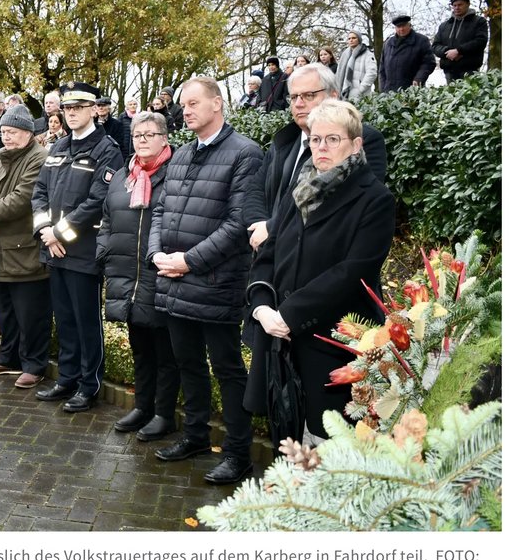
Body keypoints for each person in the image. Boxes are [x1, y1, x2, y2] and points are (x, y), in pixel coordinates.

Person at [246, 99, 394, 442]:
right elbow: (269, 252)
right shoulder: (301, 190)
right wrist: (262, 305)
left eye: (332, 139)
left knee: (327, 443)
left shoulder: (374, 199)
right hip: (281, 340)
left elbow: (353, 272)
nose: (321, 147)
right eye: (315, 139)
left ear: (356, 145)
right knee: (286, 435)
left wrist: (289, 315)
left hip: (333, 343)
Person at [147, 76, 262, 485]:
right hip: (175, 279)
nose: (186, 110)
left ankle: (237, 453)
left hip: (215, 282)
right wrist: (156, 254)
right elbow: (160, 210)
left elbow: (238, 224)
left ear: (218, 104)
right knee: (187, 363)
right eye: (183, 104)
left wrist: (189, 261)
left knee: (228, 369)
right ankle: (195, 436)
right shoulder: (179, 156)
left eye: (194, 103)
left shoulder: (245, 153)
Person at [31, 81, 123, 413]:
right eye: (67, 109)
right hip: (53, 249)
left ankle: (89, 384)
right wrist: (45, 231)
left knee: (86, 322)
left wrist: (59, 235)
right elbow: (39, 192)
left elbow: (97, 202)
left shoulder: (107, 150)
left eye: (78, 108)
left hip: (82, 252)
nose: (71, 114)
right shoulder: (57, 148)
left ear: (94, 110)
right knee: (65, 319)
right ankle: (67, 378)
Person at [244, 63, 388, 252]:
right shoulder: (284, 141)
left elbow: (349, 204)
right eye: (294, 97)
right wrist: (259, 227)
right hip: (269, 259)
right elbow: (255, 190)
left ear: (333, 96)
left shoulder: (363, 139)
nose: (299, 103)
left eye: (309, 95)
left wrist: (272, 229)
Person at [98, 111, 180, 440]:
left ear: (164, 138)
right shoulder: (123, 175)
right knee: (140, 347)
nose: (141, 141)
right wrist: (104, 252)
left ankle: (164, 413)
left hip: (158, 274)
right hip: (126, 277)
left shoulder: (176, 175)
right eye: (136, 135)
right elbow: (106, 219)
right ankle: (142, 406)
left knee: (165, 352)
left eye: (148, 135)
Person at [0, 104, 51, 388]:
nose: (7, 137)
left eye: (13, 132)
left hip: (23, 249)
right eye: (4, 131)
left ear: (28, 133)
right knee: (5, 311)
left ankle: (34, 365)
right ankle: (8, 358)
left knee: (30, 313)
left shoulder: (39, 158)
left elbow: (22, 198)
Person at [432, 0, 489, 83]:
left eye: (460, 5)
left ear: (467, 4)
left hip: (470, 69)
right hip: (449, 70)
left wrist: (459, 51)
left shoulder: (479, 22)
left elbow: (480, 41)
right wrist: (448, 52)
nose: (457, 8)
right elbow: (435, 46)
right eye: (454, 5)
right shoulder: (444, 26)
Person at [379, 14, 436, 93]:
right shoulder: (388, 44)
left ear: (409, 25)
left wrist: (419, 79)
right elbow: (382, 68)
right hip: (389, 91)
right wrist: (383, 88)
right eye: (399, 27)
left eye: (404, 26)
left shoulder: (421, 40)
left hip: (411, 89)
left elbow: (429, 63)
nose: (401, 29)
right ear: (395, 28)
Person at [336, 31, 377, 101]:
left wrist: (360, 90)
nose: (351, 40)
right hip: (345, 93)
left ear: (359, 39)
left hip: (361, 95)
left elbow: (372, 73)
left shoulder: (367, 54)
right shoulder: (345, 54)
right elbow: (339, 73)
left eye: (354, 38)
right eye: (349, 39)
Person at [95, 96, 132, 160]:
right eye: (98, 105)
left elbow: (120, 145)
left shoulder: (117, 125)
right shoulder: (90, 124)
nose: (101, 108)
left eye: (103, 105)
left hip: (110, 157)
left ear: (109, 108)